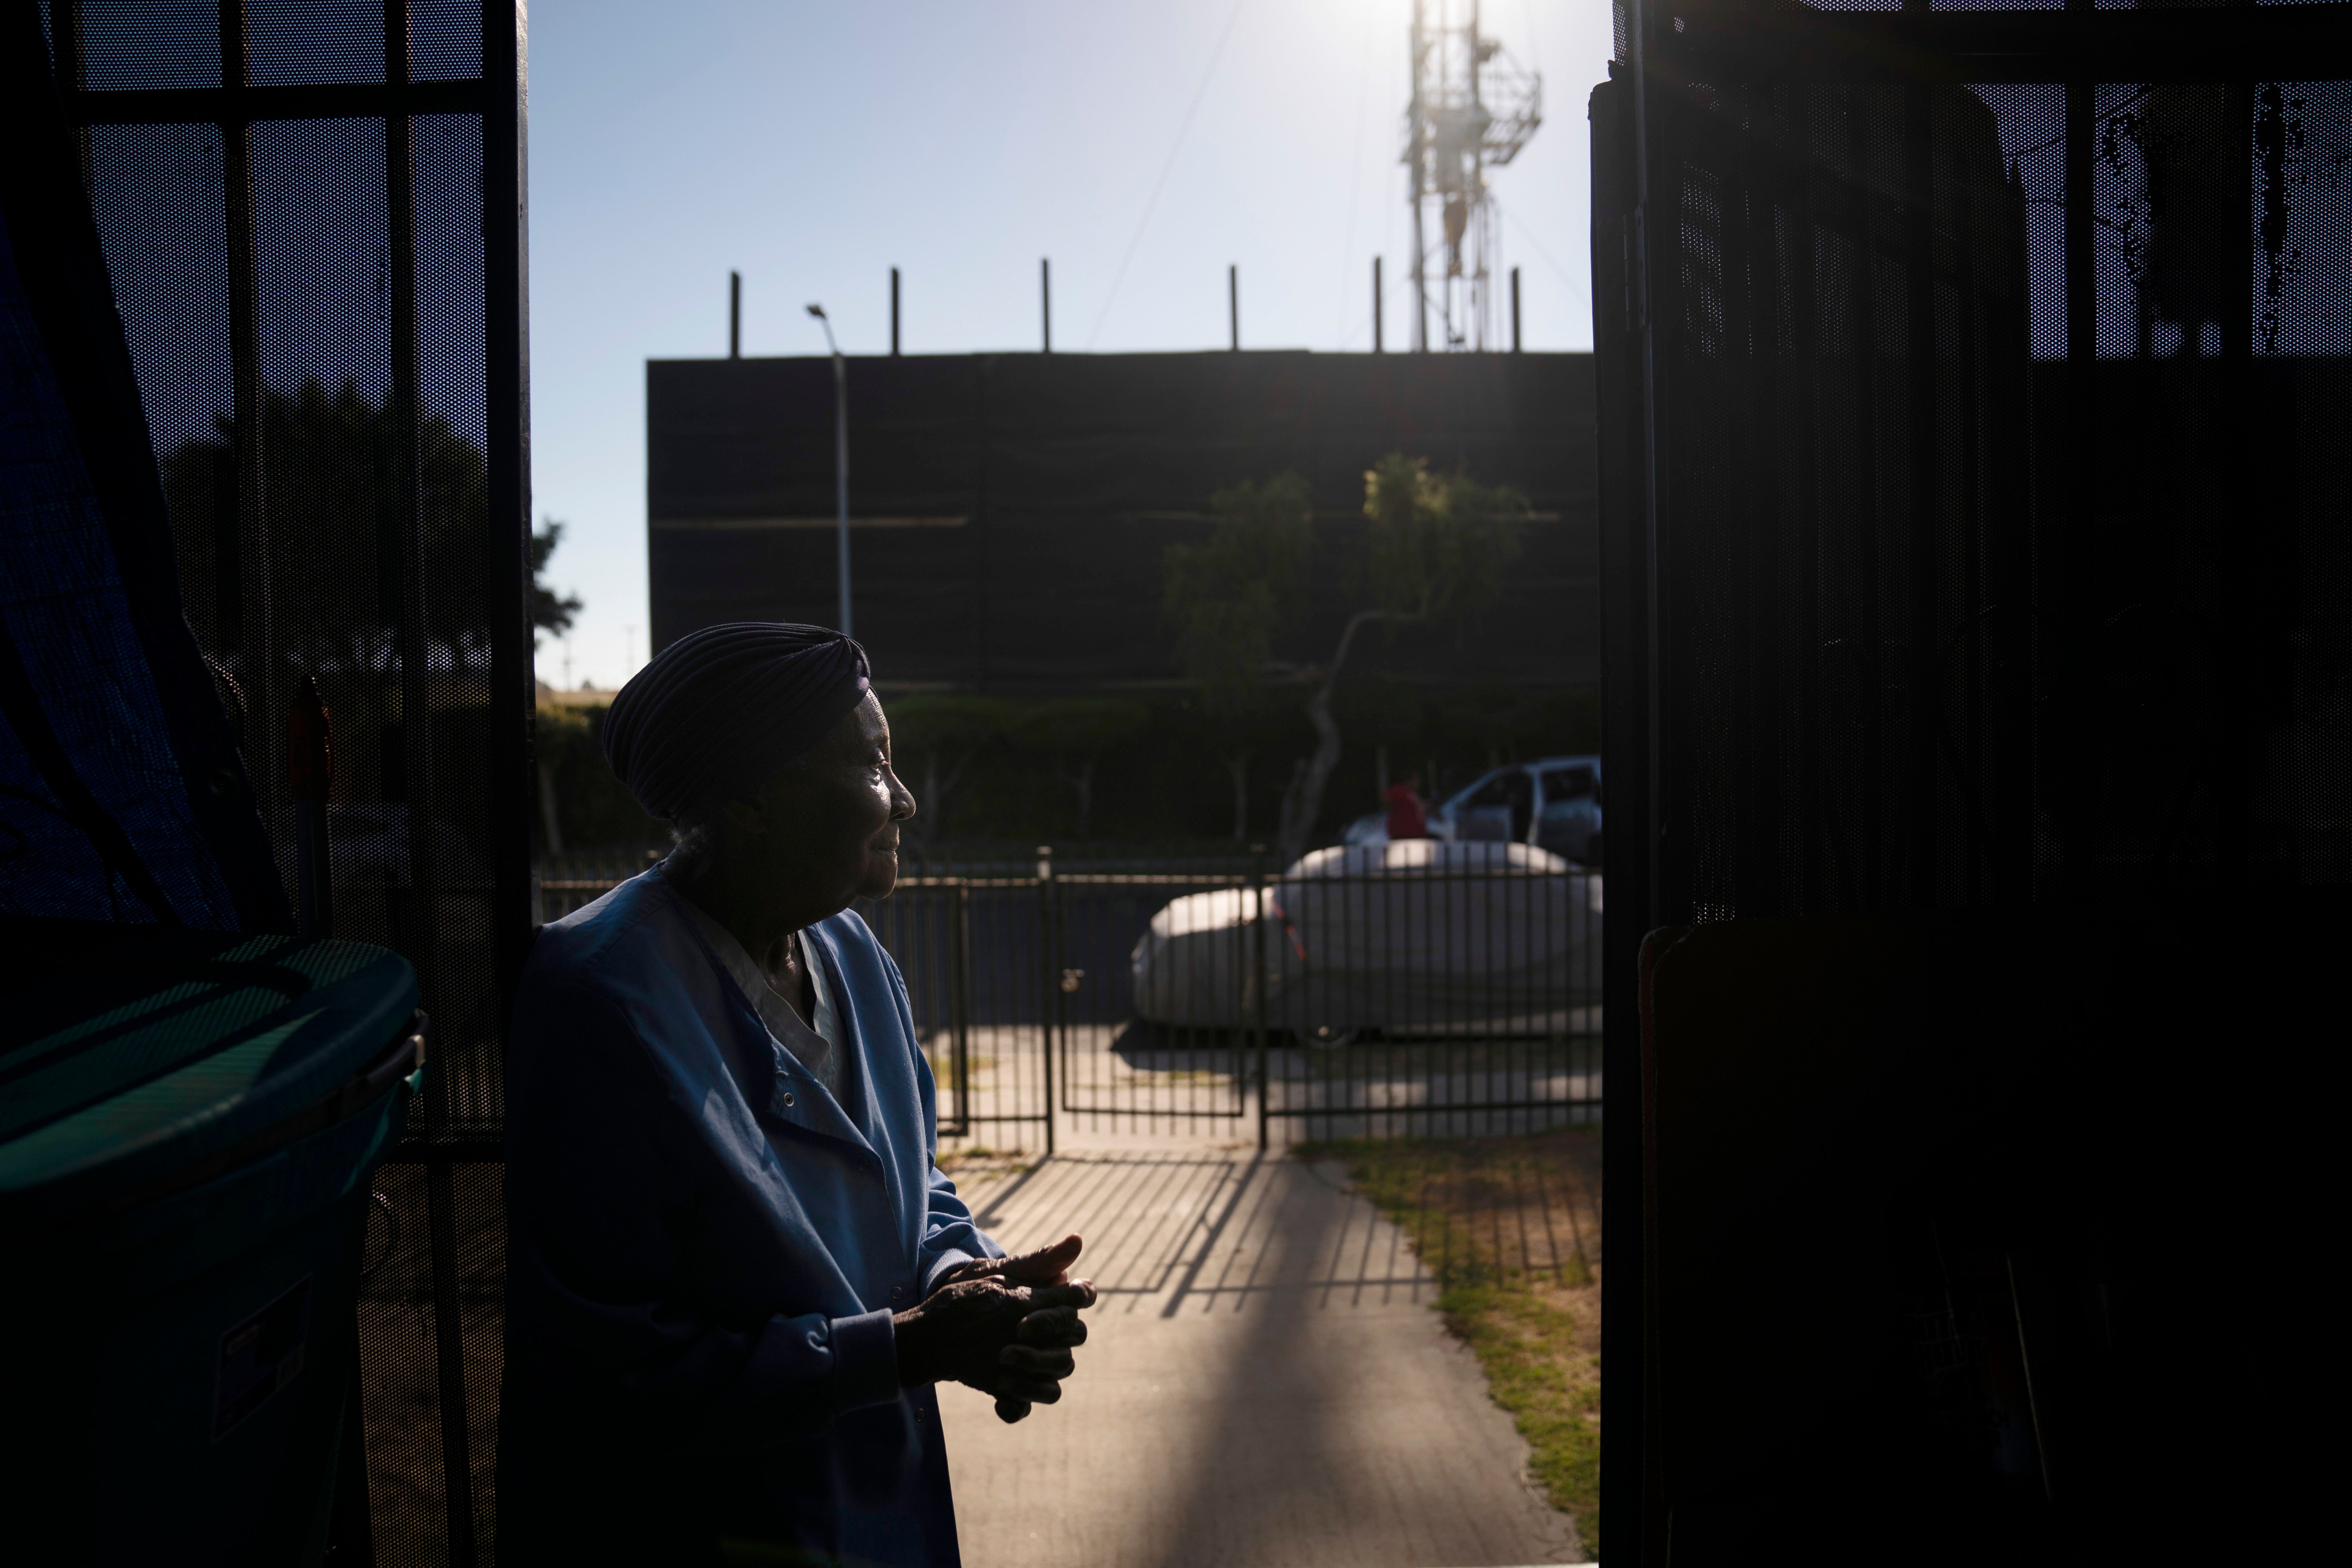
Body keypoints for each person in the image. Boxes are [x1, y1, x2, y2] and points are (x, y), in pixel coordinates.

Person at [500, 623, 1095, 1566]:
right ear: (751, 800)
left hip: (879, 1509)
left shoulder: (852, 952)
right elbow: (608, 1372)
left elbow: (910, 1181)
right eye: (870, 764)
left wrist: (961, 1279)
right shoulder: (597, 997)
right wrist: (903, 1351)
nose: (902, 799)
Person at [1384, 771, 1430, 840]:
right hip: (1402, 834)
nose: (1419, 783)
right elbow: (1387, 801)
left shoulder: (1415, 795)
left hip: (1416, 834)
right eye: (1416, 780)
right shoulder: (1399, 791)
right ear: (1409, 780)